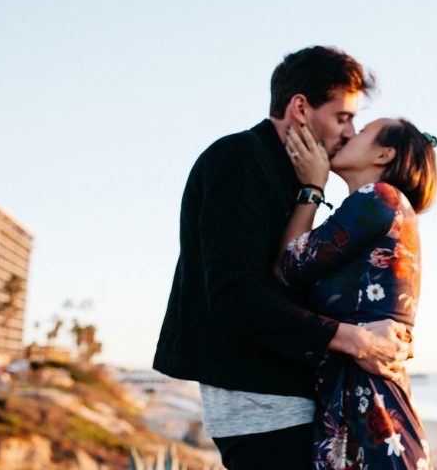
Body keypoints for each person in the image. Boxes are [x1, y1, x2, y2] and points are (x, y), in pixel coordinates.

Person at [152, 46, 411, 469]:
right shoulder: (239, 158)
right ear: (301, 108)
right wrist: (355, 340)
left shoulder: (296, 174)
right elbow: (234, 296)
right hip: (260, 402)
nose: (350, 132)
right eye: (342, 117)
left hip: (289, 393)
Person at [277, 118, 437, 469]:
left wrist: (311, 188)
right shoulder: (381, 208)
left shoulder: (378, 197)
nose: (350, 133)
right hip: (364, 403)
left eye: (363, 131)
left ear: (383, 154)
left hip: (372, 408)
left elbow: (290, 265)